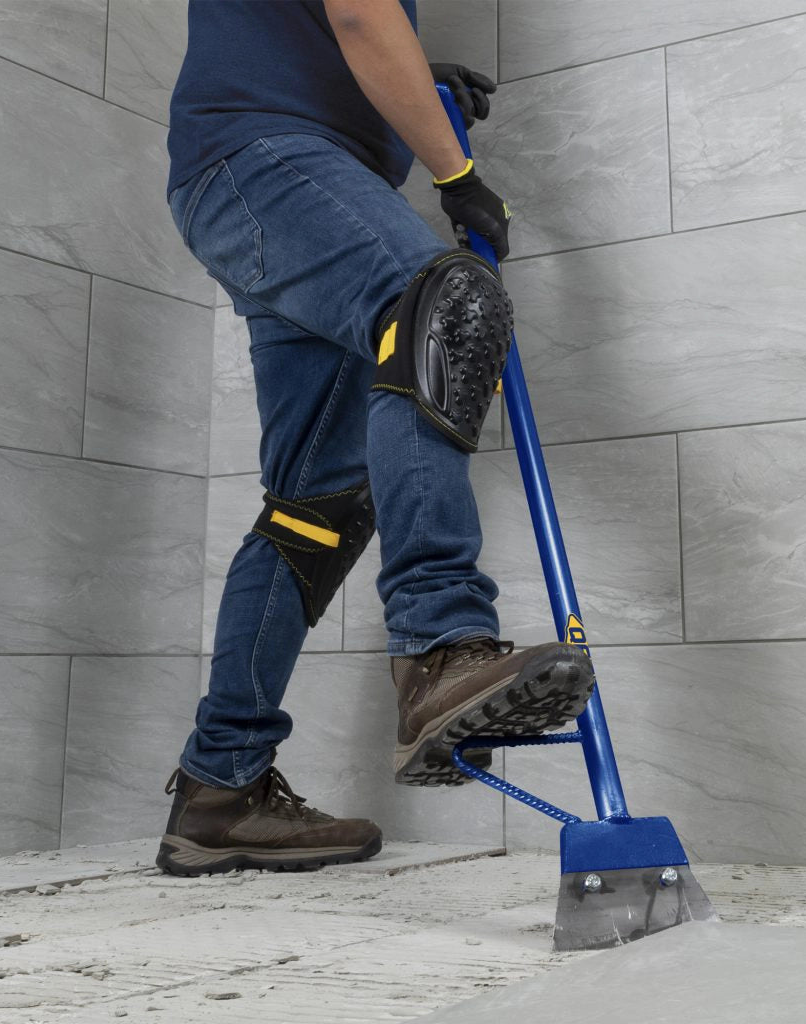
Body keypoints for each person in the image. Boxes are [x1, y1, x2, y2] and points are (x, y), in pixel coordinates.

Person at [157, 0, 595, 877]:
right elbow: (359, 14)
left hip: (251, 179)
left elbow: (309, 33)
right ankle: (439, 645)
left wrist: (416, 84)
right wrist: (455, 171)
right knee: (444, 304)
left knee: (314, 510)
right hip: (268, 162)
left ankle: (221, 786)